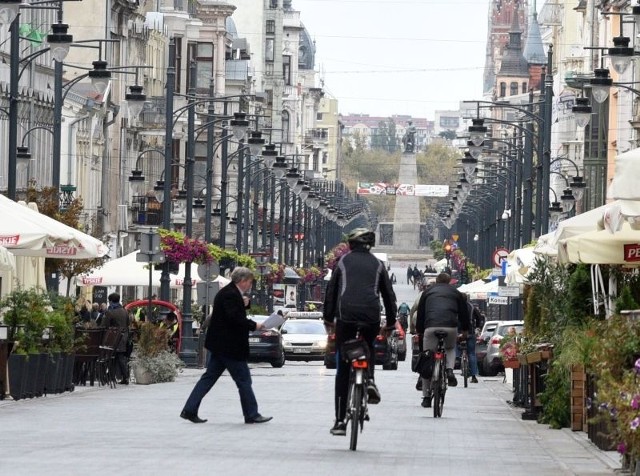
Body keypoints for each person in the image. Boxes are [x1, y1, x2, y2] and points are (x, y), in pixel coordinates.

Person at [323, 228, 397, 436]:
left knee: (343, 369)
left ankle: (339, 421)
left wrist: (329, 319)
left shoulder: (343, 263)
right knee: (368, 345)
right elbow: (389, 296)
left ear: (351, 244)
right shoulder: (378, 264)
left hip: (345, 317)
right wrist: (390, 324)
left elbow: (331, 292)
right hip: (371, 316)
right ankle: (370, 379)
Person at [180, 267, 272, 425]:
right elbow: (234, 318)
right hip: (230, 347)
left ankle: (189, 409)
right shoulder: (230, 294)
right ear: (242, 281)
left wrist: (246, 303)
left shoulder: (231, 293)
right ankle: (252, 414)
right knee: (244, 380)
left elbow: (234, 311)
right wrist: (255, 326)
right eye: (250, 281)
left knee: (208, 379)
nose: (250, 285)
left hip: (220, 346)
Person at [416, 272, 470, 408]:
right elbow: (464, 313)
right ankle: (449, 370)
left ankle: (426, 397)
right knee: (450, 348)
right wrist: (465, 330)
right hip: (450, 327)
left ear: (436, 281)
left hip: (431, 327)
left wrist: (419, 331)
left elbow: (420, 313)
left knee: (427, 358)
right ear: (450, 281)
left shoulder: (427, 292)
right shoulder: (456, 292)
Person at [104, 293, 130, 385]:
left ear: (110, 301)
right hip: (124, 337)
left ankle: (111, 376)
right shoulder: (125, 311)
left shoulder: (110, 312)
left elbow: (105, 325)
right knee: (120, 357)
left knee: (111, 357)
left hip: (113, 338)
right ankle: (125, 377)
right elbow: (127, 324)